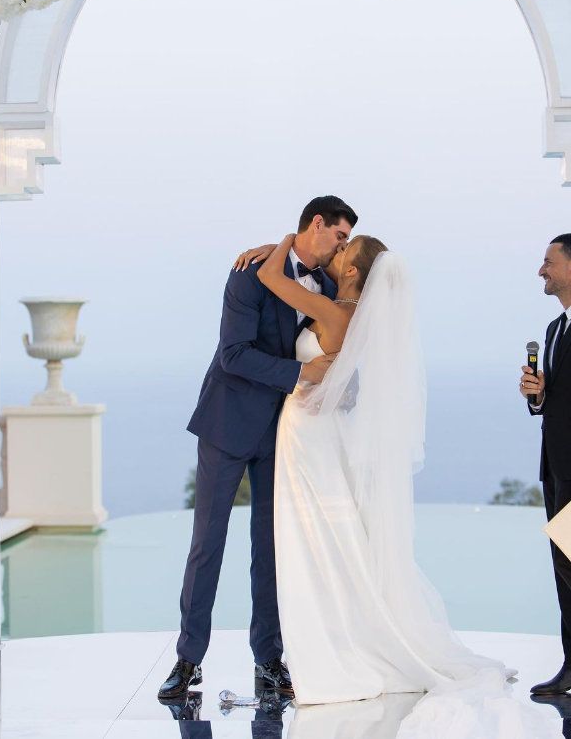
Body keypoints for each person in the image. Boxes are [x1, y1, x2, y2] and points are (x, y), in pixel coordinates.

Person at [237, 232, 514, 708]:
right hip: (318, 429)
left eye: (343, 250)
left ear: (350, 271)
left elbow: (267, 276)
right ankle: (338, 634)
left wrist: (283, 240)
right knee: (324, 534)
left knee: (310, 538)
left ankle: (331, 647)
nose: (334, 252)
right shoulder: (354, 315)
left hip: (307, 434)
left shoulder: (335, 312)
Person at [157, 196, 358, 700]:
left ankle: (268, 660)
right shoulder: (248, 276)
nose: (343, 246)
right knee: (208, 544)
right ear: (318, 223)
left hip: (285, 433)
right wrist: (300, 373)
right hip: (227, 423)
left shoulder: (332, 287)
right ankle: (188, 660)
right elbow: (233, 354)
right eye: (339, 235)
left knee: (270, 548)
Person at [521, 234, 571, 696]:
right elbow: (555, 401)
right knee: (565, 568)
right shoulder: (556, 329)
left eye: (548, 262)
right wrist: (536, 395)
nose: (541, 270)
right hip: (556, 471)